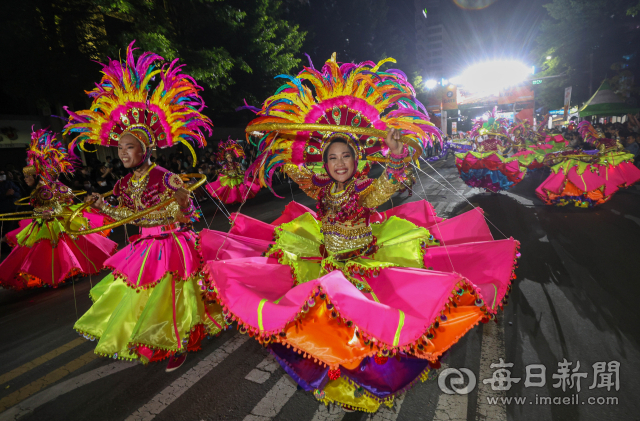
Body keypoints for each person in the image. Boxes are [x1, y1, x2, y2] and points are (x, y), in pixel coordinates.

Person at [201, 54, 519, 413]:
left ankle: (366, 378)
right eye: (332, 157)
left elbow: (393, 182)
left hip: (363, 262)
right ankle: (337, 372)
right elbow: (293, 167)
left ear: (356, 160)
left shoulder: (364, 190)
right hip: (327, 260)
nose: (339, 163)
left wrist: (397, 156)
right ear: (325, 162)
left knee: (365, 329)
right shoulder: (321, 190)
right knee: (329, 325)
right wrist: (278, 139)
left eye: (345, 156)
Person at [65, 41, 221, 371]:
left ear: (145, 149)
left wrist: (175, 209)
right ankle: (153, 338)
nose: (122, 153)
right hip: (144, 246)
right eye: (119, 148)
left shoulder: (166, 177)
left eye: (130, 147)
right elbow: (126, 214)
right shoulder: (122, 183)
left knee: (172, 300)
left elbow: (188, 214)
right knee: (142, 299)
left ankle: (175, 343)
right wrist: (103, 207)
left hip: (171, 244)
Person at [0, 128, 117, 290]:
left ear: (36, 176)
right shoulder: (42, 188)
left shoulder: (44, 189)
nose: (25, 179)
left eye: (28, 176)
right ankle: (62, 273)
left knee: (60, 251)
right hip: (44, 222)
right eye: (25, 177)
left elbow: (55, 208)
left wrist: (41, 212)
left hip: (53, 223)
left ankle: (65, 273)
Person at [535, 121, 640, 207]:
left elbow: (604, 151)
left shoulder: (602, 142)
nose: (599, 134)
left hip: (601, 161)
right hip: (591, 162)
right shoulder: (603, 142)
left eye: (599, 133)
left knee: (601, 178)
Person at [455, 111, 525, 192]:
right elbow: (502, 150)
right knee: (494, 174)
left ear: (488, 135)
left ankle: (488, 187)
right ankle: (492, 187)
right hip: (494, 160)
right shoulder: (497, 142)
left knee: (485, 174)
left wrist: (477, 146)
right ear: (494, 134)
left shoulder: (484, 142)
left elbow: (480, 150)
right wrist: (508, 146)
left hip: (485, 160)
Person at [204, 138, 260, 204]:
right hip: (229, 178)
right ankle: (233, 200)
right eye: (228, 158)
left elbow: (239, 171)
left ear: (232, 157)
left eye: (230, 157)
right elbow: (224, 172)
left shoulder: (237, 164)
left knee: (240, 188)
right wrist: (220, 172)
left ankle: (240, 199)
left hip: (237, 177)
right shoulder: (225, 165)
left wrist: (244, 172)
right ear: (226, 158)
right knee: (231, 190)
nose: (230, 159)